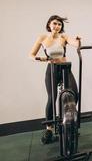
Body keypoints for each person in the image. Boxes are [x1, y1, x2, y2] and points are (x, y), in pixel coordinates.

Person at [29, 15, 80, 144]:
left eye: (59, 24)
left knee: (75, 93)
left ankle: (68, 121)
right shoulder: (43, 38)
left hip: (65, 68)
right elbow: (31, 55)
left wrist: (78, 41)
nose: (57, 26)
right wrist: (42, 59)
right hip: (52, 69)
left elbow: (75, 43)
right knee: (52, 98)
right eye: (55, 23)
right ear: (49, 24)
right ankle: (49, 129)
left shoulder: (64, 37)